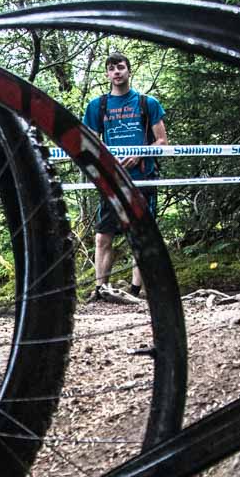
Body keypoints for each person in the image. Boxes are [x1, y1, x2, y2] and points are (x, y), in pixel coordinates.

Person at [81, 51, 168, 302]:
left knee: (141, 235)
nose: (116, 72)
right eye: (111, 68)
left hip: (143, 177)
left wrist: (141, 154)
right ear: (107, 74)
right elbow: (89, 143)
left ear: (128, 70)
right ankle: (101, 290)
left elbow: (162, 141)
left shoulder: (147, 103)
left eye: (120, 67)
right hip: (111, 180)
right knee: (103, 236)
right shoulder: (97, 106)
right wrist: (105, 161)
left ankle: (134, 291)